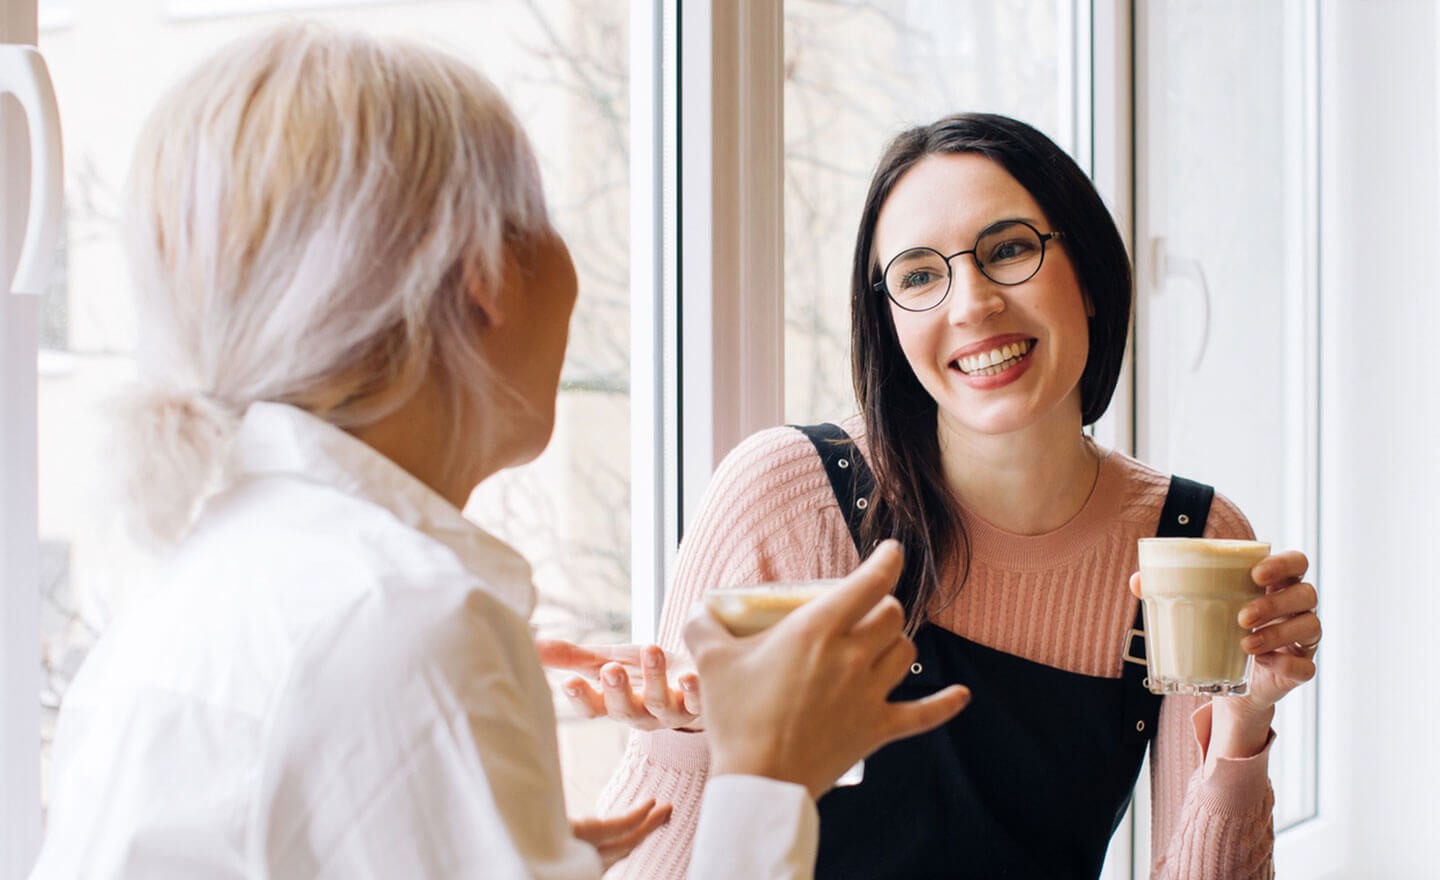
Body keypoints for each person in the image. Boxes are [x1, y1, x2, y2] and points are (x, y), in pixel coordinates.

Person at [27, 24, 970, 879]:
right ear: (484, 273)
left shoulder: (216, 581)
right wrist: (768, 778)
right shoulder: (397, 617)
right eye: (546, 222)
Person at [548, 113, 1322, 879]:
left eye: (1009, 250)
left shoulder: (1189, 541)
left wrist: (1243, 723)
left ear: (1087, 274)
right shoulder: (789, 494)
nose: (971, 303)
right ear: (888, 321)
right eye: (920, 275)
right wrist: (687, 741)